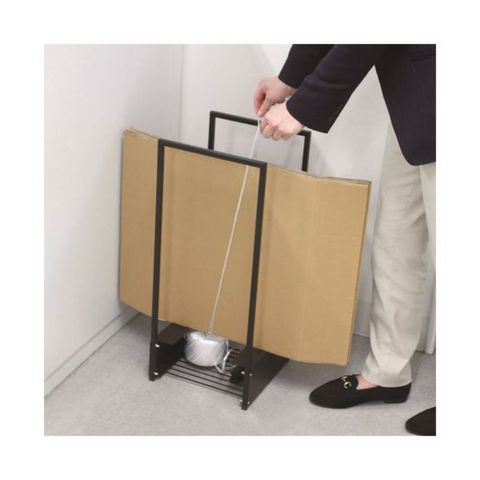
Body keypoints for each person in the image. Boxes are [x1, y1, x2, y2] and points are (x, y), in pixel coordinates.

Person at [254, 45, 436, 436]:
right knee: (396, 239)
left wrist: (302, 107)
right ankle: (387, 373)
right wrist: (289, 79)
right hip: (420, 99)